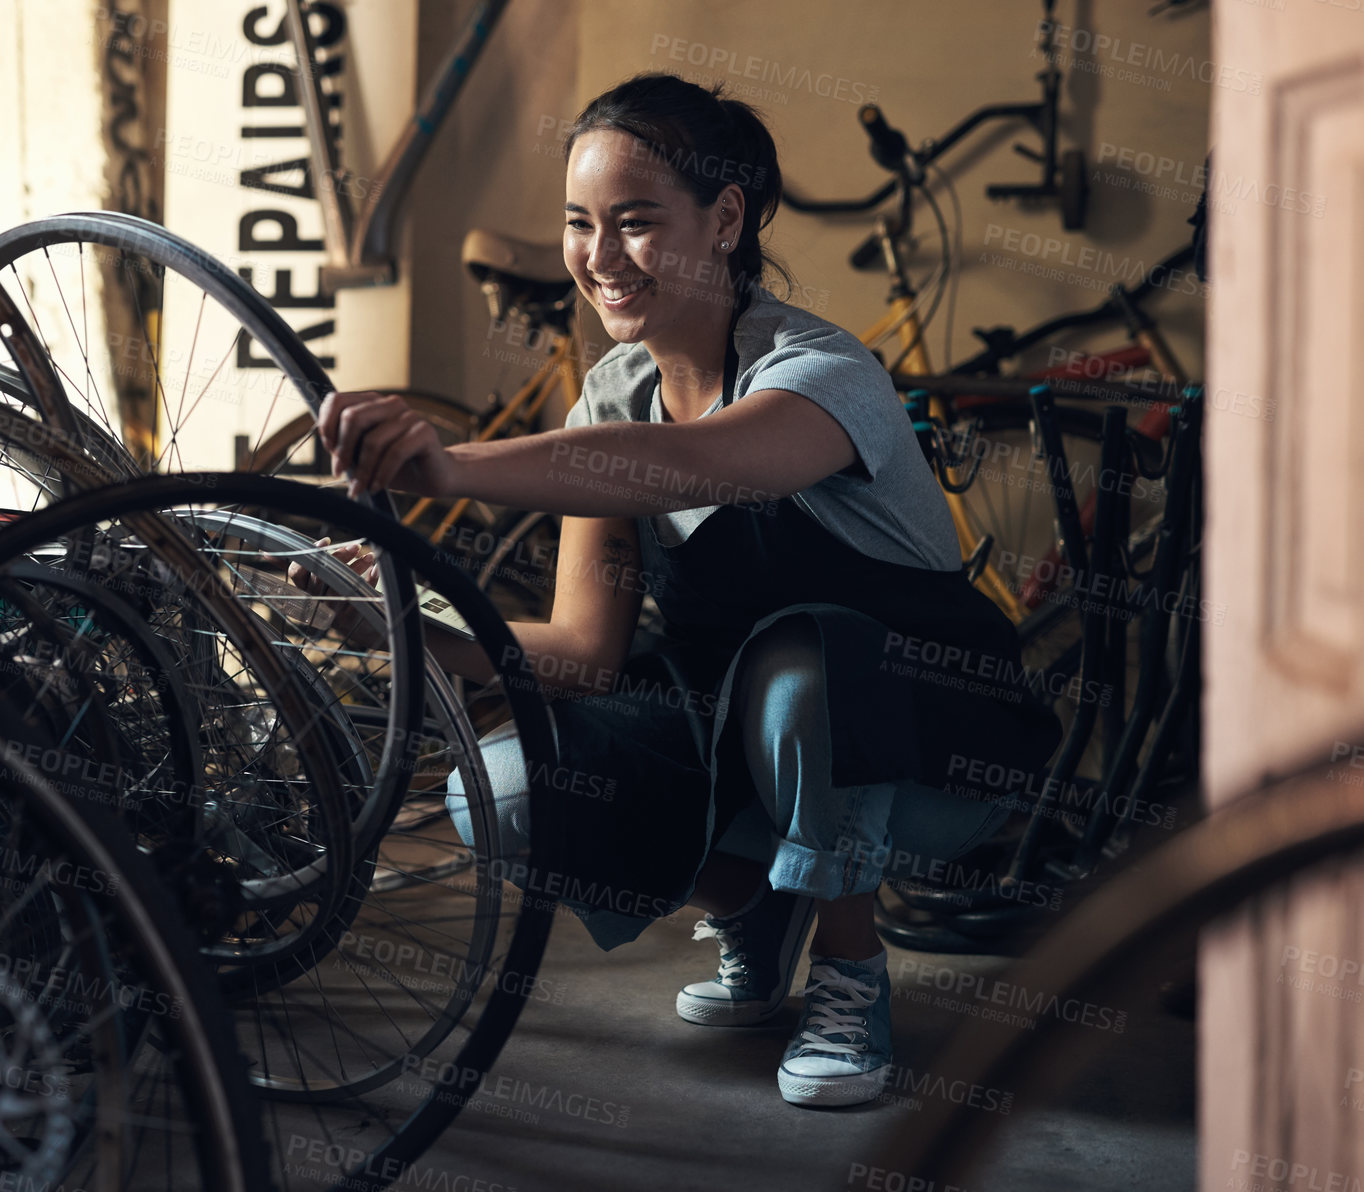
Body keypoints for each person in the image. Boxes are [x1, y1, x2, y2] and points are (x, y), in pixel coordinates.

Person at [296, 71, 1061, 1109]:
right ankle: (750, 902)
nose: (599, 259)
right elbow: (577, 650)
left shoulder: (820, 372)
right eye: (579, 224)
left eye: (636, 223)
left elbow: (686, 464)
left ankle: (849, 971)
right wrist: (395, 621)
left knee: (801, 670)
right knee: (506, 789)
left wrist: (453, 465)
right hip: (747, 745)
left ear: (725, 219)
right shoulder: (611, 393)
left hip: (936, 748)